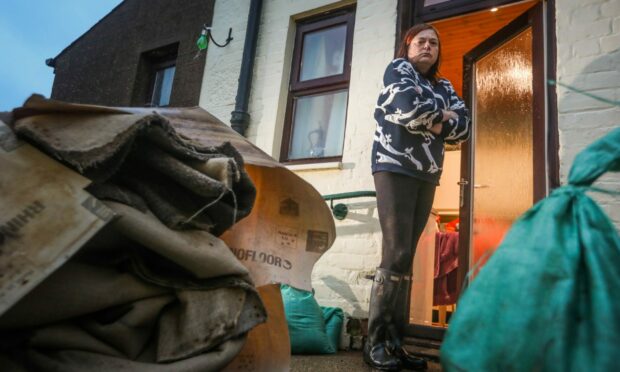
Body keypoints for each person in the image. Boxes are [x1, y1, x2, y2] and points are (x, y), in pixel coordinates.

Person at [365, 23, 470, 371]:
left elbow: (465, 126)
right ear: (408, 47)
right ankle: (375, 344)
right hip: (394, 167)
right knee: (395, 252)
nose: (427, 46)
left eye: (434, 43)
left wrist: (437, 120)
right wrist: (442, 117)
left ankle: (395, 346)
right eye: (421, 41)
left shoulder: (444, 85)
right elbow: (409, 111)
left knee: (407, 256)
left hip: (427, 173)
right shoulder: (399, 69)